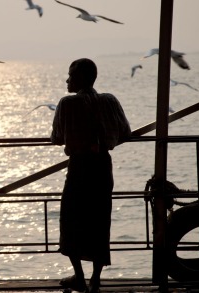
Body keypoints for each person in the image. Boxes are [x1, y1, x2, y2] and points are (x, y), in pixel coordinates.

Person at [50, 58, 131, 293]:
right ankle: (95, 279)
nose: (67, 80)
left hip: (79, 166)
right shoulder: (109, 101)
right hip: (102, 166)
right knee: (99, 220)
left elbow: (56, 138)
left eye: (71, 75)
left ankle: (79, 277)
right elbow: (125, 132)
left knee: (71, 220)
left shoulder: (67, 104)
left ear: (82, 78)